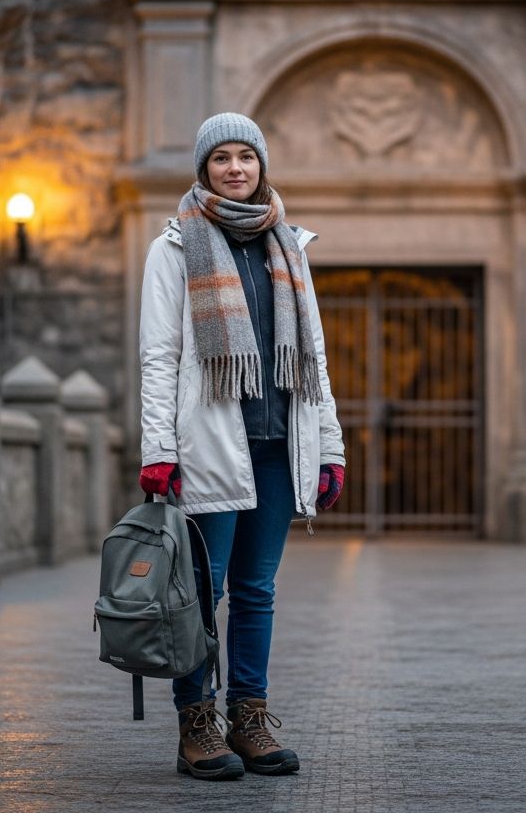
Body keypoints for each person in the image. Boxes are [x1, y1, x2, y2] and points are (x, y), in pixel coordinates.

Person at [137, 112, 346, 780]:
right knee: (200, 593)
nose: (235, 167)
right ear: (204, 170)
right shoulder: (174, 246)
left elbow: (312, 357)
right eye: (221, 157)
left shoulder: (289, 244)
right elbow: (159, 357)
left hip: (279, 445)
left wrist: (331, 449)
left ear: (261, 166)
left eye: (245, 156)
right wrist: (158, 449)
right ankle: (197, 725)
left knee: (256, 588)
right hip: (207, 447)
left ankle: (248, 719)